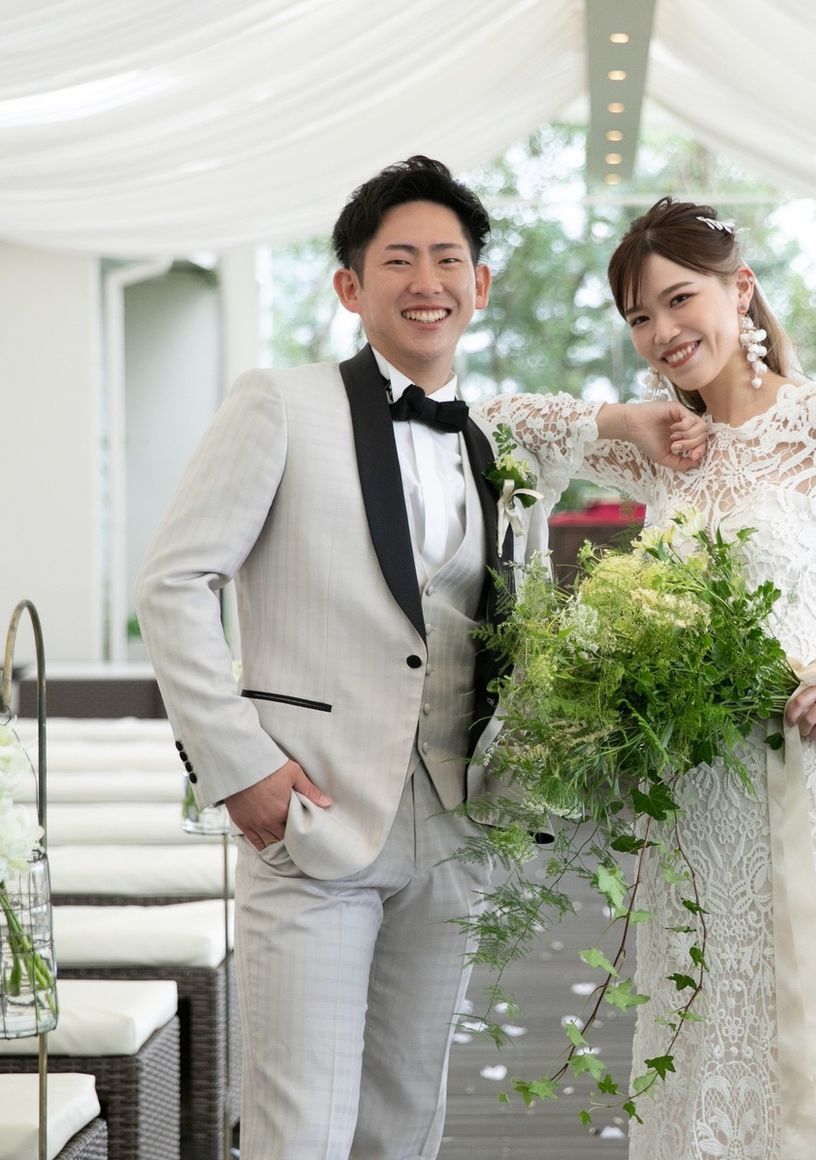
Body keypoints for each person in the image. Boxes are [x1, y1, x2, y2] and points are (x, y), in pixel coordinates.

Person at [134, 159, 708, 1160]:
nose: (426, 280)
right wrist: (242, 767)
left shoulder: (496, 442)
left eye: (448, 259)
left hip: (453, 824)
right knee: (298, 1124)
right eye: (397, 259)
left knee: (405, 1119)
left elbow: (513, 620)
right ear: (349, 286)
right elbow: (174, 583)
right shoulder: (278, 403)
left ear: (478, 285)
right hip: (310, 813)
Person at [476, 197, 816, 1158]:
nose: (662, 332)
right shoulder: (663, 446)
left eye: (680, 300)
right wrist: (627, 419)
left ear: (741, 290)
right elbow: (488, 425)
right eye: (639, 317)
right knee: (702, 1011)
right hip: (695, 793)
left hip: (812, 768)